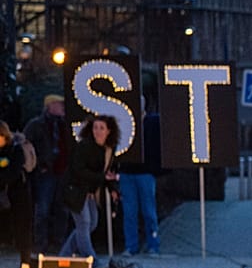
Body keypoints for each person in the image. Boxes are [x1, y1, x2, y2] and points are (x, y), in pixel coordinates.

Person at [60, 115, 120, 258]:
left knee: (91, 224)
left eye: (101, 128)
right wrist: (101, 178)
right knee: (84, 224)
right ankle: (92, 260)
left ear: (109, 131)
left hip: (91, 192)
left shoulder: (109, 150)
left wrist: (112, 189)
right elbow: (78, 170)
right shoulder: (84, 146)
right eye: (95, 127)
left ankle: (64, 256)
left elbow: (107, 172)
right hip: (75, 190)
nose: (98, 131)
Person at [24, 94, 72, 252]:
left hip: (62, 171)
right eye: (59, 105)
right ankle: (40, 244)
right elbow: (26, 146)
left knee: (62, 210)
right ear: (50, 106)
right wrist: (38, 165)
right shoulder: (36, 125)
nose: (62, 107)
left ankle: (59, 243)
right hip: (46, 172)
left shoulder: (66, 125)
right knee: (43, 209)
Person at [117, 107, 161, 256]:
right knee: (129, 212)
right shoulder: (124, 123)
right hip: (127, 172)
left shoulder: (152, 123)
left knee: (149, 211)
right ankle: (131, 246)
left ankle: (153, 245)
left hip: (145, 172)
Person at [0, 121, 35, 268]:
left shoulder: (15, 150)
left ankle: (25, 266)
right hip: (3, 197)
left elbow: (13, 172)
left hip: (18, 196)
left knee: (22, 231)